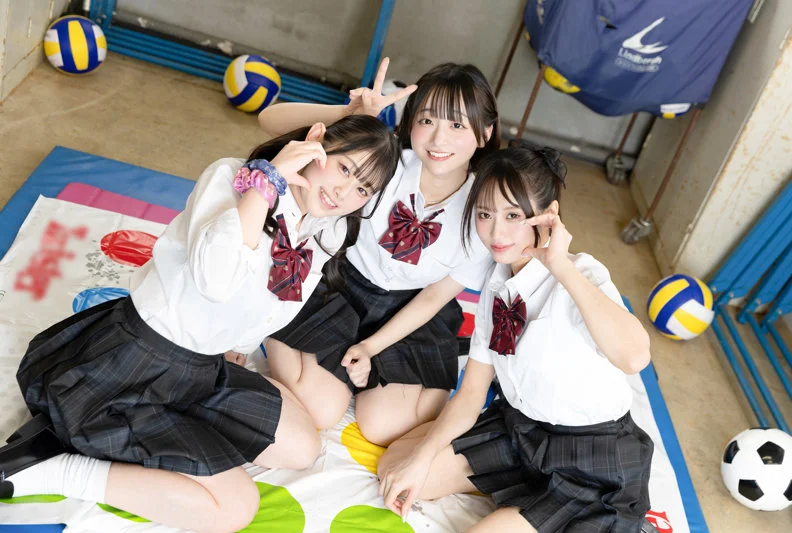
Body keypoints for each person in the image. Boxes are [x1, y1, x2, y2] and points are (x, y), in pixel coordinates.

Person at [0, 114, 400, 533]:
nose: (344, 193)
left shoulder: (326, 229)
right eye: (344, 168)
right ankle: (49, 470)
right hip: (138, 360)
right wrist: (265, 186)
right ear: (316, 140)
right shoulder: (231, 177)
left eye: (363, 189)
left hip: (203, 367)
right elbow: (215, 281)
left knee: (303, 447)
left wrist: (235, 346)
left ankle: (138, 440)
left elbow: (273, 309)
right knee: (234, 508)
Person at [378, 146, 654, 532]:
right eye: (485, 214)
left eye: (513, 215)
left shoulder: (582, 273)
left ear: (549, 214)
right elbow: (471, 393)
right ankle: (527, 496)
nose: (497, 232)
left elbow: (634, 357)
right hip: (522, 430)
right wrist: (422, 457)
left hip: (591, 455)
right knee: (397, 466)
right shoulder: (496, 282)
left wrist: (559, 264)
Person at [257, 58, 499, 446]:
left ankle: (358, 369)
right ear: (410, 122)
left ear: (485, 133)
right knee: (320, 409)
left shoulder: (486, 211)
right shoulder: (385, 162)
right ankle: (268, 328)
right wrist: (349, 115)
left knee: (384, 427)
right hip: (337, 285)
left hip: (412, 309)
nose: (438, 139)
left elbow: (435, 296)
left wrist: (371, 348)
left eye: (457, 125)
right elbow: (269, 121)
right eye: (427, 120)